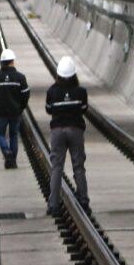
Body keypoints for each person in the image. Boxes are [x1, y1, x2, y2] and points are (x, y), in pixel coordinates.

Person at [45, 56, 88, 216]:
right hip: (76, 130)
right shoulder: (81, 92)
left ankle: (54, 205)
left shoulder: (52, 91)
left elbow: (49, 109)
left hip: (57, 131)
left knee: (57, 167)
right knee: (78, 167)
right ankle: (83, 201)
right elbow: (84, 108)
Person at [0, 47, 30, 169]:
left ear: (2, 62)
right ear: (12, 61)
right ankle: (13, 161)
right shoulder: (20, 77)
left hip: (1, 112)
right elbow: (26, 95)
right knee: (13, 135)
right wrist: (21, 108)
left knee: (0, 134)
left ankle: (6, 151)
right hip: (15, 112)